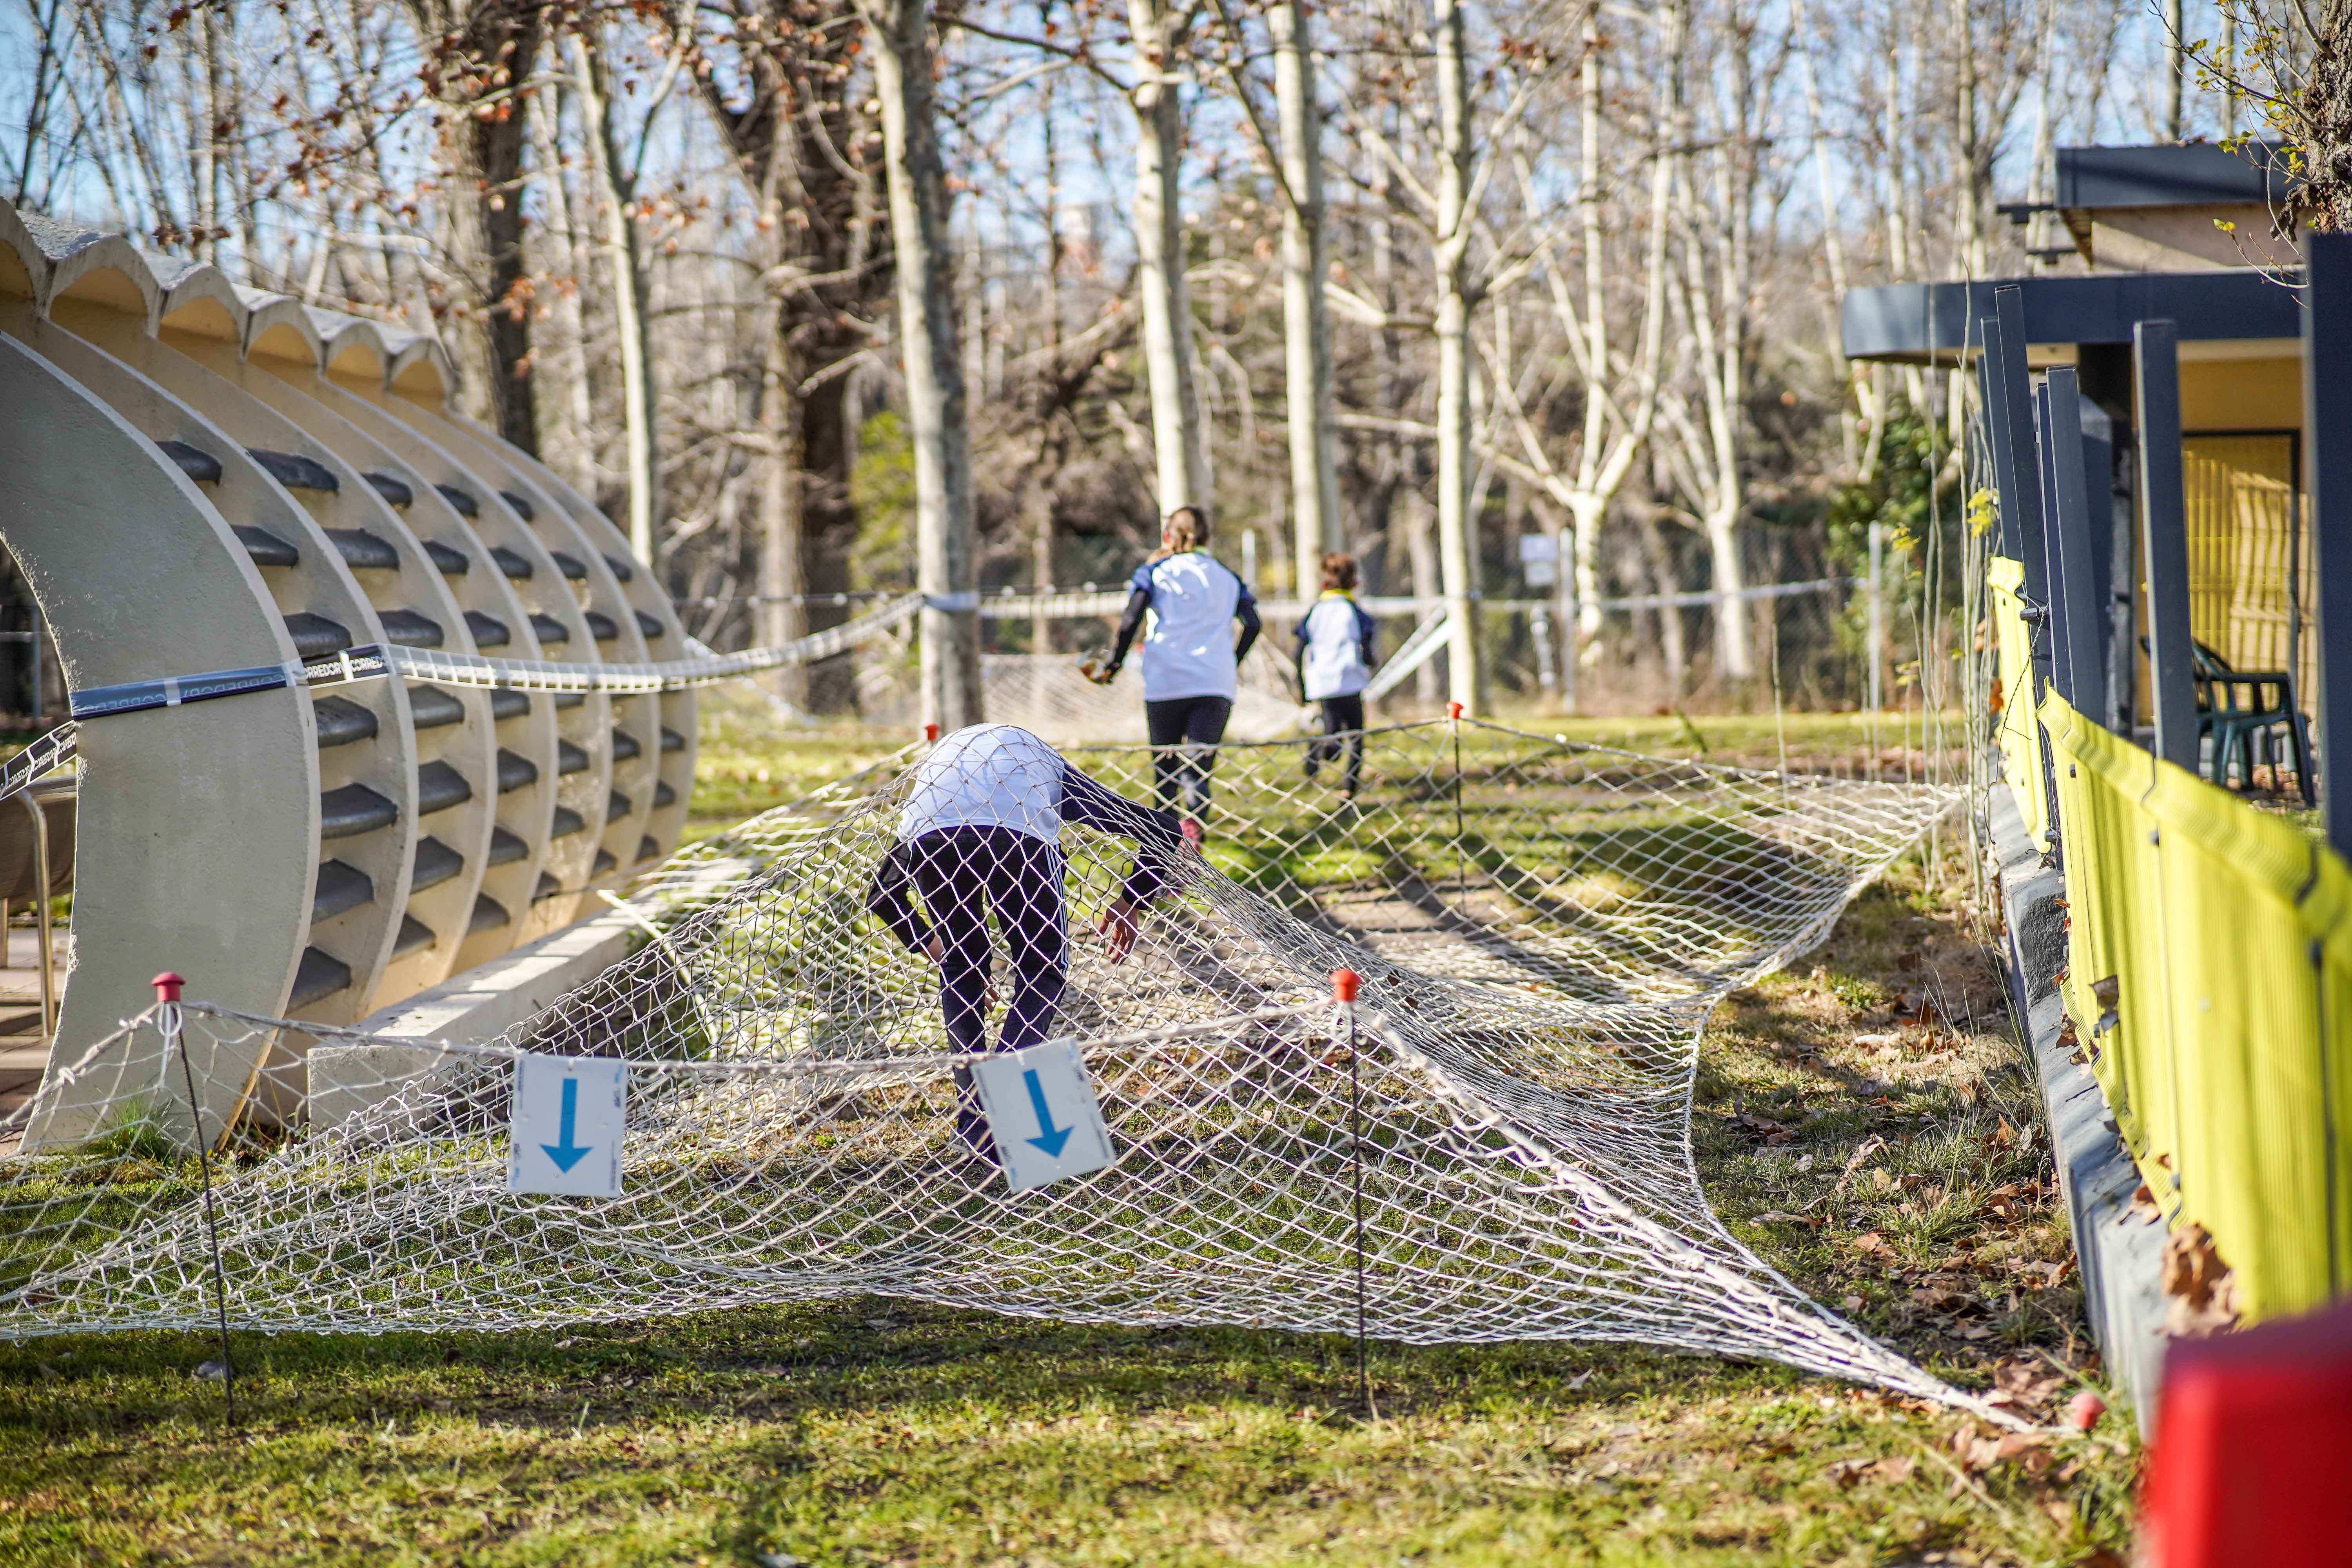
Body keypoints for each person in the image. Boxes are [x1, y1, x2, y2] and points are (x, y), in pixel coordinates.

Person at [865, 723, 1197, 1153]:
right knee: (1043, 971)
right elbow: (1164, 827)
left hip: (934, 841)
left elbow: (882, 895)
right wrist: (1131, 903)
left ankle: (975, 1125)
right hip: (1018, 841)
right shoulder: (1047, 767)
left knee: (961, 973)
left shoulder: (931, 795)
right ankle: (1007, 1103)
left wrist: (938, 948)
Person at [1088, 506, 1261, 813]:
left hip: (1165, 682)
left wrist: (1114, 663)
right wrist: (1233, 661)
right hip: (1213, 684)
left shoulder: (1155, 572)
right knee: (1199, 771)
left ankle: (1165, 850)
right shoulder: (1229, 577)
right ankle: (1192, 844)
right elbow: (1253, 623)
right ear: (1208, 537)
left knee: (1165, 772)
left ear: (1168, 536)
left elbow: (1130, 621)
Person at [1295, 552, 1379, 799]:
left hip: (1322, 683)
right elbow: (1368, 646)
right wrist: (1370, 662)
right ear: (1354, 583)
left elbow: (1299, 650)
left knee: (1333, 737)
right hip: (1350, 681)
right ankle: (1349, 791)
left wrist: (1302, 685)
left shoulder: (1315, 612)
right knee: (1356, 739)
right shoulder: (1355, 612)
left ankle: (1318, 749)